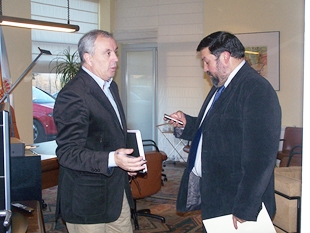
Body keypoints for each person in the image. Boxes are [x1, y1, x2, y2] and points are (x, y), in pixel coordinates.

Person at [166, 31, 281, 230]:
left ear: (225, 57)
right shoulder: (221, 86)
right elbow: (214, 129)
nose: (205, 68)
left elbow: (260, 158)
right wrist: (187, 124)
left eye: (207, 61)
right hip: (217, 196)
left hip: (237, 201)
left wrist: (245, 207)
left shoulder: (256, 89)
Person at [53, 30, 146, 233]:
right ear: (88, 58)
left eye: (115, 52)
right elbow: (67, 153)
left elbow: (109, 135)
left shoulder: (111, 87)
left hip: (116, 194)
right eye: (107, 53)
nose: (115, 58)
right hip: (87, 201)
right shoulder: (73, 94)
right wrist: (114, 159)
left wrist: (125, 161)